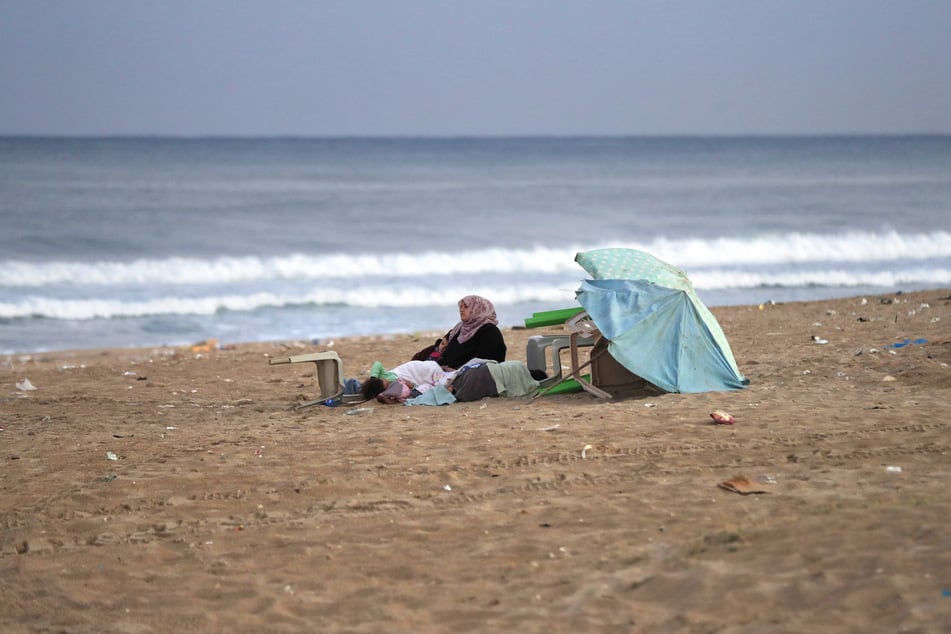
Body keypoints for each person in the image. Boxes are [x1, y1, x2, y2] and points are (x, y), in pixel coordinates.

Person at [423, 295, 507, 370]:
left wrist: (456, 371)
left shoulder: (490, 331)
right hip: (448, 372)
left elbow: (482, 361)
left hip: (473, 377)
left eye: (466, 307)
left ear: (477, 309)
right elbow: (448, 354)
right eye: (460, 307)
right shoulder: (460, 328)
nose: (461, 310)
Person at [360, 359, 450, 403]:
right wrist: (412, 386)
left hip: (412, 369)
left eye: (384, 381)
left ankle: (437, 371)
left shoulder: (383, 376)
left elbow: (377, 363)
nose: (388, 382)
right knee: (431, 383)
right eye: (387, 386)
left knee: (429, 368)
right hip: (414, 378)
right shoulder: (393, 389)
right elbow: (410, 388)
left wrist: (373, 377)